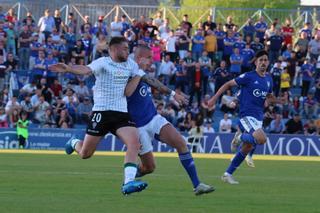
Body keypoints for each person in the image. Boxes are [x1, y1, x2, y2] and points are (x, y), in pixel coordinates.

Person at [49, 37, 147, 195]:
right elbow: (86, 70)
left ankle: (128, 183)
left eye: (128, 48)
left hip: (121, 113)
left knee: (134, 143)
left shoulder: (131, 65)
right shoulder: (103, 62)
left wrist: (139, 73)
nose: (128, 51)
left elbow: (129, 91)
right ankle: (74, 142)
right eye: (125, 48)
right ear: (114, 49)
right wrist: (69, 68)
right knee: (85, 154)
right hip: (101, 112)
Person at [125, 45, 215, 195]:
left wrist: (173, 94)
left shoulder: (141, 72)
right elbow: (151, 83)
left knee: (180, 142)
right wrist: (173, 94)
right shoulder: (127, 71)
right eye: (149, 58)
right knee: (149, 167)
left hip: (153, 118)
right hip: (137, 127)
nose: (151, 62)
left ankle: (197, 185)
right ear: (139, 58)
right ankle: (129, 180)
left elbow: (152, 81)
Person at [208, 50, 274, 184]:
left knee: (248, 147)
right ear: (255, 62)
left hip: (258, 117)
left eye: (265, 60)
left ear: (268, 63)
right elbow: (227, 84)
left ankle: (227, 174)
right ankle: (239, 137)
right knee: (261, 139)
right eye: (260, 60)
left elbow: (268, 97)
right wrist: (215, 98)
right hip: (246, 116)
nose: (263, 62)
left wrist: (275, 101)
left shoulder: (269, 80)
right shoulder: (249, 76)